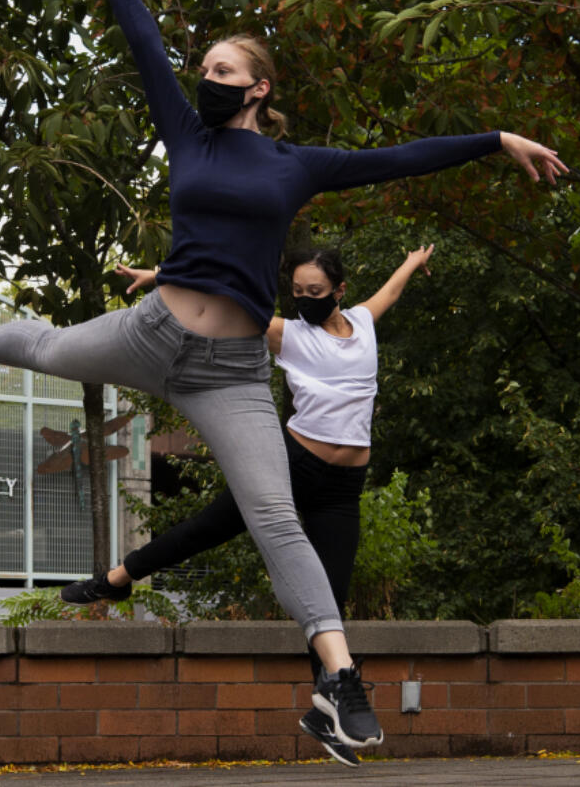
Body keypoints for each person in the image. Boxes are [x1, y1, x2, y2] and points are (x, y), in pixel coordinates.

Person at [0, 0, 566, 751]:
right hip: (150, 332)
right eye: (203, 65)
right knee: (42, 347)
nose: (205, 76)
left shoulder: (298, 166)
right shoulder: (189, 134)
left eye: (223, 67)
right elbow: (143, 48)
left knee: (273, 513)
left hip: (232, 372)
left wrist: (497, 139)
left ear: (258, 87)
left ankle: (338, 676)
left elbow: (399, 156)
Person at [61, 245, 437, 766]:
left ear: (339, 291)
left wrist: (412, 262)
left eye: (315, 292)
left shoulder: (362, 323)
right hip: (288, 466)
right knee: (208, 528)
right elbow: (223, 304)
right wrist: (160, 278)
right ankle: (116, 579)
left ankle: (324, 711)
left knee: (327, 595)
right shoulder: (288, 332)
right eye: (297, 292)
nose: (304, 300)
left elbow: (389, 292)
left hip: (343, 487)